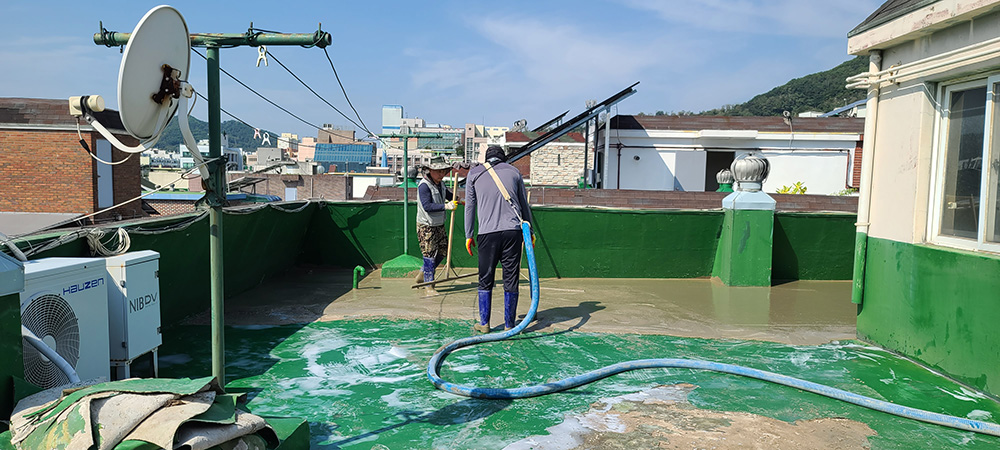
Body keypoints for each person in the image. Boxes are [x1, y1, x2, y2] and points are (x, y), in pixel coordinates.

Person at [465, 145, 533, 333]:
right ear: (503, 158)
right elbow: (523, 205)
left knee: (485, 277)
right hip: (513, 231)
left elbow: (469, 207)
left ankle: (485, 324)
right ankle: (510, 325)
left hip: (487, 233)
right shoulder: (514, 172)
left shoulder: (474, 174)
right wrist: (531, 231)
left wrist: (468, 235)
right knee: (511, 277)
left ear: (487, 159)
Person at [415, 155, 457, 294]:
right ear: (429, 171)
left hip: (439, 223)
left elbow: (449, 195)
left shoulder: (441, 184)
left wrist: (458, 200)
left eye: (443, 171)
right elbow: (427, 206)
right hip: (426, 225)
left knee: (443, 251)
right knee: (429, 254)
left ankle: (423, 273)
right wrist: (446, 206)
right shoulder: (424, 186)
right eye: (438, 171)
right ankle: (429, 285)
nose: (441, 174)